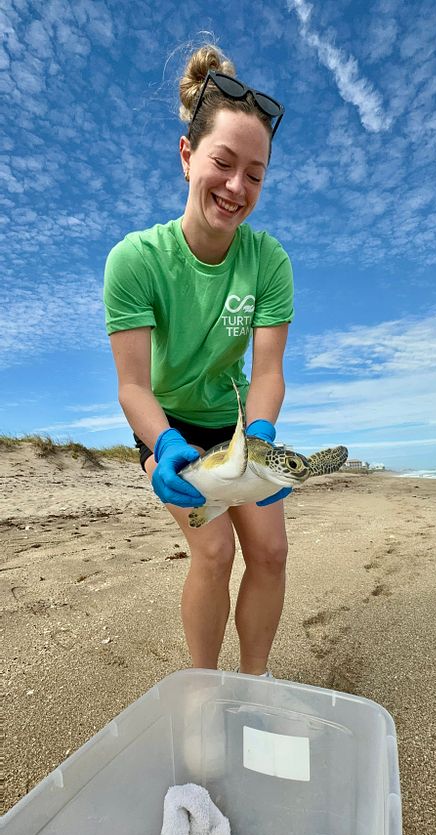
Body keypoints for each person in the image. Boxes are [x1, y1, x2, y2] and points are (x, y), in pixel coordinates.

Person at [103, 44, 294, 677]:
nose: (238, 186)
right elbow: (132, 385)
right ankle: (206, 689)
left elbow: (267, 371)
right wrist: (162, 444)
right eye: (224, 162)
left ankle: (255, 683)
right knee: (213, 551)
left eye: (256, 174)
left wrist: (261, 434)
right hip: (172, 430)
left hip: (238, 430)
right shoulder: (135, 261)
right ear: (188, 157)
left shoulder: (269, 262)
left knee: (268, 551)